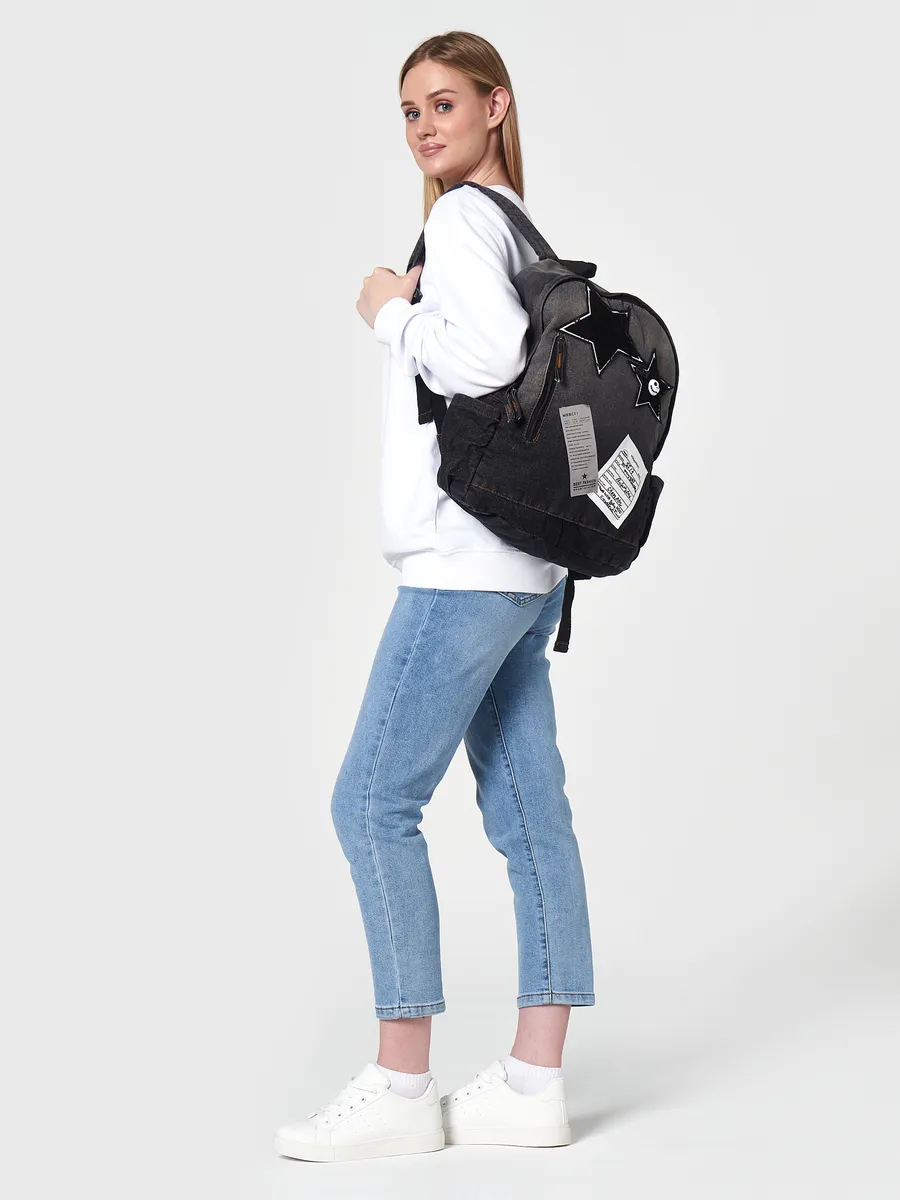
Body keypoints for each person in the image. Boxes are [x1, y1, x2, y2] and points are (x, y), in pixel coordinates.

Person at [275, 30, 594, 1163]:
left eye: (444, 103)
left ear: (496, 106)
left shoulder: (463, 220)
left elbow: (491, 362)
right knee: (530, 814)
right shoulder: (517, 226)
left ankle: (402, 1085)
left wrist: (384, 312)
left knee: (371, 803)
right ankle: (534, 1082)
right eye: (409, 110)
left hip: (464, 567)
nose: (423, 126)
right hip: (528, 567)